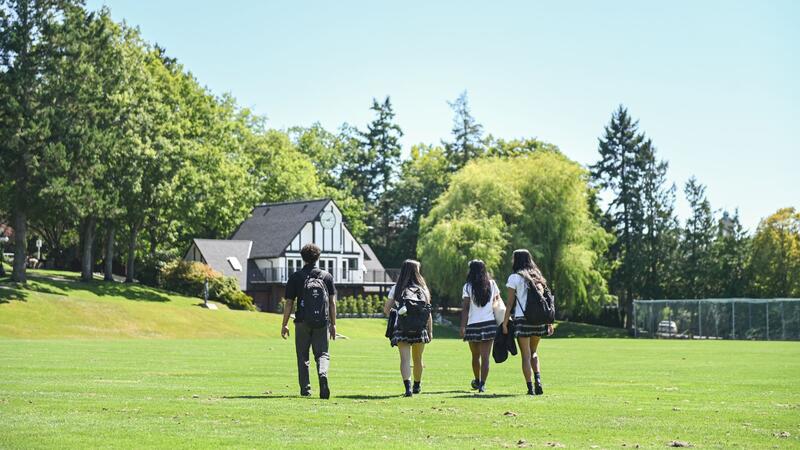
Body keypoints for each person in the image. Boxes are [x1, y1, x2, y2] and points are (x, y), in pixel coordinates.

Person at [281, 243, 337, 399]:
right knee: (323, 354)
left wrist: (284, 324)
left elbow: (289, 303)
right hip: (322, 322)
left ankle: (306, 389)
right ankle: (323, 374)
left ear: (302, 258)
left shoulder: (296, 277)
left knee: (302, 356)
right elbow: (332, 303)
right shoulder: (327, 277)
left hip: (302, 321)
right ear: (318, 258)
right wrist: (333, 324)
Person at [502, 249, 554, 395]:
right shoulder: (538, 277)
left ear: (516, 260)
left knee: (525, 354)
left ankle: (530, 387)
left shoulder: (514, 278)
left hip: (522, 319)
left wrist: (505, 323)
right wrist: (549, 322)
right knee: (534, 352)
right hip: (538, 321)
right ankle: (538, 380)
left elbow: (510, 303)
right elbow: (545, 302)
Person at [383, 259, 433, 397]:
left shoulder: (397, 288)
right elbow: (428, 312)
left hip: (402, 327)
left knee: (404, 359)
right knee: (418, 359)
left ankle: (408, 389)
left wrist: (399, 311)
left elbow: (386, 310)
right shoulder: (424, 289)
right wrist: (430, 331)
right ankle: (417, 385)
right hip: (420, 328)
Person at [459, 260, 501, 393]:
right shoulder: (492, 284)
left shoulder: (467, 287)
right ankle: (482, 384)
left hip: (473, 325)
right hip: (489, 324)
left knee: (475, 356)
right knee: (485, 357)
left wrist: (463, 326)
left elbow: (465, 308)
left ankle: (477, 380)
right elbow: (497, 301)